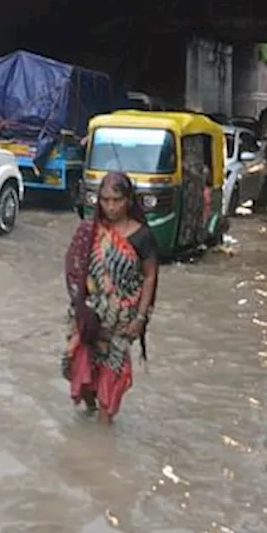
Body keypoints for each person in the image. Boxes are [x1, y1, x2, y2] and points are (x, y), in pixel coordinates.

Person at [63, 171, 159, 424]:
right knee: (79, 369)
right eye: (104, 200)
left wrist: (140, 317)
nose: (111, 206)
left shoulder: (142, 236)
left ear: (128, 200)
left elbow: (149, 276)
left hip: (121, 322)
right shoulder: (91, 231)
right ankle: (90, 413)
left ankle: (103, 441)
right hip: (89, 317)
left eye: (117, 200)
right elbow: (74, 268)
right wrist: (80, 308)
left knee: (110, 381)